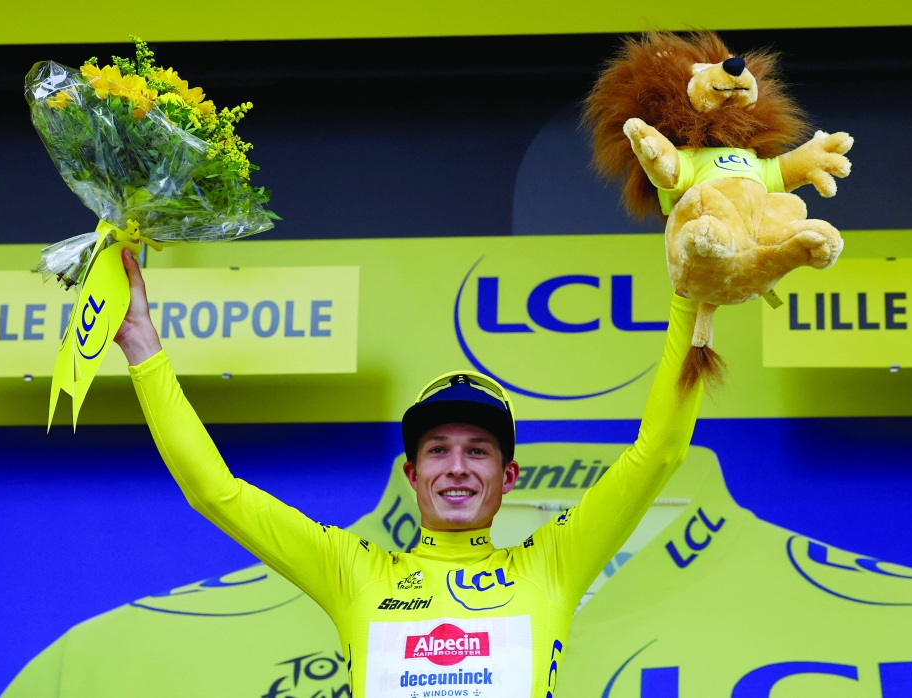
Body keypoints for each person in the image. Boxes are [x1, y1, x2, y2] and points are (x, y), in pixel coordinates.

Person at [115, 247, 704, 698]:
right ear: (411, 474)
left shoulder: (552, 564)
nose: (456, 468)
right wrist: (142, 345)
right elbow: (215, 492)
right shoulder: (353, 571)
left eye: (478, 451)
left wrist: (692, 295)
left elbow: (657, 453)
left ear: (509, 477)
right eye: (437, 450)